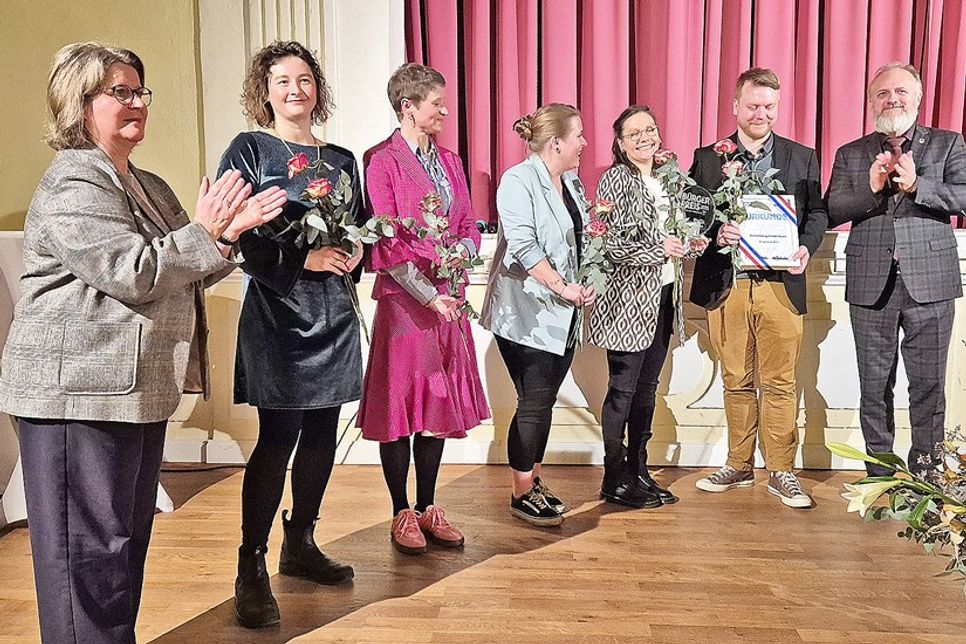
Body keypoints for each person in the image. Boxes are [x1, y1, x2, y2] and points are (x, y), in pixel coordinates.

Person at [0, 42, 283, 643]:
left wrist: (226, 238)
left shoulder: (145, 183)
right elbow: (132, 270)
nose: (137, 104)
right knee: (87, 560)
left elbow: (189, 265)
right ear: (79, 105)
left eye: (140, 92)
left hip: (130, 390)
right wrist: (207, 231)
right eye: (120, 93)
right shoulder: (75, 179)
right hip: (76, 395)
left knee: (119, 550)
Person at [218, 41, 364, 628]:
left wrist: (354, 250)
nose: (295, 90)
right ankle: (250, 565)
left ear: (318, 88)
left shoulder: (344, 158)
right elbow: (231, 230)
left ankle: (299, 542)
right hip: (279, 313)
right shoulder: (249, 149)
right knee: (278, 437)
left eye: (305, 80)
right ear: (265, 90)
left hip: (334, 312)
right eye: (282, 81)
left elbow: (359, 226)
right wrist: (302, 261)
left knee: (324, 432)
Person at [359, 63, 489, 555]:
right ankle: (401, 511)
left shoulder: (451, 160)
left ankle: (430, 506)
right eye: (437, 103)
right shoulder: (382, 161)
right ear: (407, 107)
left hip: (448, 299)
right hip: (406, 304)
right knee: (400, 407)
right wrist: (428, 293)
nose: (445, 111)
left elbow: (469, 224)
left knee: (435, 406)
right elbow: (387, 241)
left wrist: (460, 266)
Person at [689, 68, 827, 508]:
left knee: (781, 382)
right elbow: (694, 216)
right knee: (736, 381)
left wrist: (805, 247)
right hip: (728, 286)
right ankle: (739, 463)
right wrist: (716, 231)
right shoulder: (708, 157)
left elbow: (817, 214)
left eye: (769, 106)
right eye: (752, 105)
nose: (761, 114)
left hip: (780, 285)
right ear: (735, 106)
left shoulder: (801, 156)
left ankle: (782, 471)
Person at [828, 62, 966, 477]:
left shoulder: (948, 144)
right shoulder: (851, 153)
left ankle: (926, 475)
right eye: (884, 94)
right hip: (871, 284)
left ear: (918, 99)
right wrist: (870, 190)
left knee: (928, 388)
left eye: (902, 92)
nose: (893, 99)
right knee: (874, 387)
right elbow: (833, 208)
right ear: (871, 102)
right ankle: (879, 475)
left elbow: (964, 196)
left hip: (932, 284)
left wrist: (917, 187)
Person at [481, 103, 596, 527]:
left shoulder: (570, 181)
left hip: (564, 313)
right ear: (556, 142)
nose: (585, 142)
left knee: (541, 403)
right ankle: (520, 492)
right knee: (534, 402)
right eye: (579, 135)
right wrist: (564, 287)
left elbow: (582, 238)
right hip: (525, 314)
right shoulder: (517, 181)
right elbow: (525, 248)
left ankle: (532, 480)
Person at [589, 105, 708, 508]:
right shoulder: (614, 179)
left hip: (662, 296)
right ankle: (613, 477)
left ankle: (639, 471)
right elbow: (606, 242)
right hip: (625, 301)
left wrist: (691, 243)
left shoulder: (667, 180)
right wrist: (657, 249)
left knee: (647, 391)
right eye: (635, 132)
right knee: (622, 391)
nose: (645, 137)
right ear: (620, 143)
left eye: (651, 129)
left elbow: (677, 232)